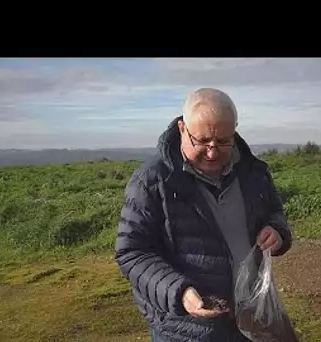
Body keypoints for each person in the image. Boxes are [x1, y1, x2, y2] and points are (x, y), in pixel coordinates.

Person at [114, 88, 293, 342]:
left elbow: (275, 212)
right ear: (182, 129)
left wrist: (277, 231)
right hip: (187, 330)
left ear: (235, 129)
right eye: (202, 140)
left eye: (223, 141)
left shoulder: (254, 172)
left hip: (252, 317)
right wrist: (180, 292)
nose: (212, 151)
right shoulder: (152, 181)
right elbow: (131, 252)